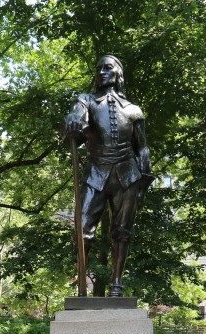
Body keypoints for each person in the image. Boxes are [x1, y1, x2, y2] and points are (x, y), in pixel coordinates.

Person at [64, 55, 153, 297]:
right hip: (96, 173)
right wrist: (73, 122)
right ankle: (81, 285)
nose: (102, 72)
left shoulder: (134, 110)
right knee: (82, 229)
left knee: (122, 232)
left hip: (127, 175)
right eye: (98, 68)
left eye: (107, 68)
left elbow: (142, 147)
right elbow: (78, 118)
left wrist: (144, 181)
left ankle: (116, 284)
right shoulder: (86, 100)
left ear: (117, 73)